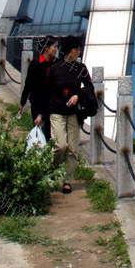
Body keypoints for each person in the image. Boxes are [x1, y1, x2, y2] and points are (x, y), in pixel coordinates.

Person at [47, 35, 92, 193]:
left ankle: (67, 181)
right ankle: (51, 172)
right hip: (57, 112)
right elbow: (47, 90)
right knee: (60, 146)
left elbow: (89, 87)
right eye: (76, 49)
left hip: (73, 114)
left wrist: (78, 95)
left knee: (72, 149)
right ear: (69, 50)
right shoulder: (55, 68)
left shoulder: (80, 68)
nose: (78, 52)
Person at [18, 36, 58, 141]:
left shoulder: (56, 63)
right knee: (38, 127)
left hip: (51, 102)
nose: (56, 50)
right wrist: (23, 102)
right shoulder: (36, 63)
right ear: (47, 48)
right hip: (37, 101)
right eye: (54, 46)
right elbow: (28, 84)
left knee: (49, 132)